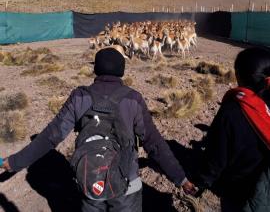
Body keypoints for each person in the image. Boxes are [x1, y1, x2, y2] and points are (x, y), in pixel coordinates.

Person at [0, 47, 195, 212]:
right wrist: (181, 179)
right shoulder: (133, 99)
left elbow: (51, 136)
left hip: (89, 180)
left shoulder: (79, 97)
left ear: (96, 69)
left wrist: (14, 162)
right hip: (127, 184)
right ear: (122, 71)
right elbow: (154, 143)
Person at [193, 47, 270, 212]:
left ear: (238, 75)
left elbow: (216, 155)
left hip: (238, 191)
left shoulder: (232, 111)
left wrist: (201, 182)